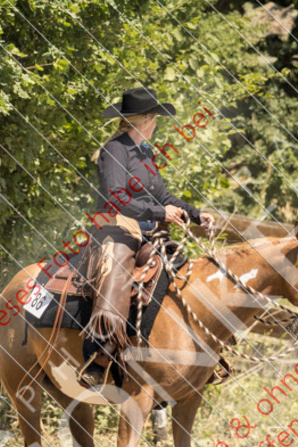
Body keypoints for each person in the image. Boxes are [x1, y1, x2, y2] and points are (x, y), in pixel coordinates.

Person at [80, 87, 215, 387]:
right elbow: (114, 198)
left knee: (188, 276)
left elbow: (163, 196)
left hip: (149, 233)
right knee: (114, 278)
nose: (157, 125)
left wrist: (195, 214)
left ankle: (192, 356)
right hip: (116, 229)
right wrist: (158, 212)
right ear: (146, 120)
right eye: (155, 120)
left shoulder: (145, 152)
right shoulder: (114, 150)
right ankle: (97, 357)